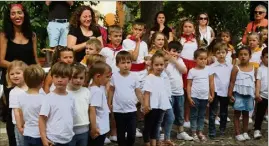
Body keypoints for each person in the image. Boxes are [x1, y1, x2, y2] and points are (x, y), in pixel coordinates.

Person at [108, 51, 143, 146]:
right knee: (121, 133)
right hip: (118, 110)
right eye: (123, 63)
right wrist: (109, 103)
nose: (126, 65)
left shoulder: (134, 76)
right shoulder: (114, 76)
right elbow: (111, 90)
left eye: (128, 62)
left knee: (132, 134)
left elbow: (138, 91)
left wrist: (143, 103)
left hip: (131, 110)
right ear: (117, 64)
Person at [39, 62, 75, 146]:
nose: (59, 80)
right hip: (53, 139)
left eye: (63, 77)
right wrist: (44, 138)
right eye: (56, 76)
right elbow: (42, 119)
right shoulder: (48, 98)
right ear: (52, 78)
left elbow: (71, 116)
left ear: (69, 79)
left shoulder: (71, 97)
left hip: (69, 138)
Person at [165, 41, 193, 142]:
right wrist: (168, 60)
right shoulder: (165, 62)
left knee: (179, 112)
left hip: (179, 92)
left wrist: (175, 61)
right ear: (168, 51)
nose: (176, 54)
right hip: (168, 93)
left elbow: (184, 71)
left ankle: (180, 132)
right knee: (168, 114)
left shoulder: (180, 60)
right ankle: (165, 133)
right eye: (173, 51)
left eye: (178, 52)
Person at [143, 52, 171, 146]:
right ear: (152, 65)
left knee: (156, 127)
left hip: (160, 106)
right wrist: (146, 106)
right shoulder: (150, 77)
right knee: (149, 126)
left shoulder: (163, 77)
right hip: (152, 106)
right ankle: (147, 143)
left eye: (161, 65)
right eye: (156, 65)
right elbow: (147, 93)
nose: (159, 67)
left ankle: (154, 143)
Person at [228, 47, 255, 141]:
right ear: (238, 56)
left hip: (249, 94)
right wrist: (230, 93)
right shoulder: (236, 68)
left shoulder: (253, 68)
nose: (243, 56)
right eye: (241, 54)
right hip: (238, 94)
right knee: (237, 113)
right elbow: (232, 82)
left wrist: (255, 93)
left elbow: (254, 82)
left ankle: (245, 132)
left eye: (245, 54)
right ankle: (237, 133)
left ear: (250, 56)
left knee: (246, 113)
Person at [187, 49, 213, 142]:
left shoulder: (208, 69)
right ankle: (193, 132)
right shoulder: (192, 71)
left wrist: (210, 94)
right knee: (194, 115)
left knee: (202, 115)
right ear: (195, 59)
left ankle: (200, 131)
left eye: (205, 59)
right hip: (195, 96)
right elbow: (189, 85)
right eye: (200, 58)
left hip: (204, 97)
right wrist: (189, 97)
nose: (203, 60)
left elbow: (210, 83)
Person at [178, 19, 200, 128]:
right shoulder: (179, 39)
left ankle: (187, 117)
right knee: (180, 91)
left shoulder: (198, 40)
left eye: (190, 27)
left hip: (193, 66)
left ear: (194, 28)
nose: (187, 29)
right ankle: (179, 117)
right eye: (185, 26)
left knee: (189, 92)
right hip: (181, 65)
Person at [208, 43, 233, 139]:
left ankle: (222, 129)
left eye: (223, 52)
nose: (221, 55)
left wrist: (231, 92)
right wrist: (211, 93)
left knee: (224, 112)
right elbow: (211, 81)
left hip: (225, 91)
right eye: (218, 53)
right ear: (215, 54)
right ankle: (212, 131)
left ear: (226, 53)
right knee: (213, 112)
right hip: (215, 91)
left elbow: (232, 80)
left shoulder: (230, 66)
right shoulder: (212, 67)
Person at [16, 65, 46, 146]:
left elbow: (20, 114)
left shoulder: (20, 97)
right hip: (40, 135)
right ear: (42, 83)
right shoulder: (44, 99)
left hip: (27, 133)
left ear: (25, 81)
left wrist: (21, 127)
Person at [88, 61, 111, 146]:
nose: (109, 79)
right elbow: (92, 109)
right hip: (99, 129)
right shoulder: (96, 91)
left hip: (100, 128)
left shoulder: (96, 88)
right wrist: (94, 128)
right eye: (107, 77)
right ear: (98, 76)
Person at [67, 63, 90, 146]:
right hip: (68, 131)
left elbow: (89, 110)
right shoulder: (64, 93)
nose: (78, 80)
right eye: (75, 77)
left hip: (84, 130)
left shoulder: (86, 91)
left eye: (81, 78)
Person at [123, 19, 148, 89]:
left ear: (144, 31)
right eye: (135, 29)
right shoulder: (126, 42)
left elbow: (146, 59)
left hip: (143, 74)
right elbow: (134, 58)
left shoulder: (144, 44)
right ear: (132, 29)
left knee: (142, 97)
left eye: (140, 30)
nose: (137, 32)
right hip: (132, 73)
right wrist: (137, 42)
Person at [8, 60, 28, 146]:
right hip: (21, 125)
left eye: (18, 73)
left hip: (33, 123)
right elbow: (16, 111)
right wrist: (20, 127)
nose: (15, 76)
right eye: (12, 74)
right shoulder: (14, 92)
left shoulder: (33, 88)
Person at [254, 48, 268, 139]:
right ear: (262, 58)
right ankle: (257, 129)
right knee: (260, 113)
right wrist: (257, 93)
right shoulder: (260, 69)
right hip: (263, 95)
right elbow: (258, 81)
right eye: (267, 57)